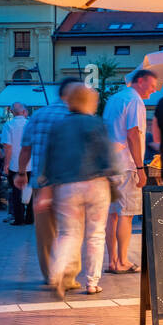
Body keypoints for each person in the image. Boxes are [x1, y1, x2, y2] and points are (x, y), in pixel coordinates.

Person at [42, 85, 117, 296]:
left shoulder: (58, 126)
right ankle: (92, 283)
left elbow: (49, 158)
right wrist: (114, 175)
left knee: (68, 233)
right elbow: (107, 154)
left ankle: (58, 274)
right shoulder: (97, 123)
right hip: (96, 184)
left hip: (67, 186)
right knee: (96, 235)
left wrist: (47, 187)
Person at [16, 79, 81, 287]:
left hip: (40, 181)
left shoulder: (38, 115)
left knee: (45, 232)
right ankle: (68, 276)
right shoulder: (76, 116)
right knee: (72, 229)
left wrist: (21, 174)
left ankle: (50, 275)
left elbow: (25, 148)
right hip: (70, 182)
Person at [103, 69, 160, 274]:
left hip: (109, 163)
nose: (153, 91)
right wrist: (140, 167)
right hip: (126, 165)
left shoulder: (114, 99)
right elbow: (133, 134)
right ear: (141, 81)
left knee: (112, 215)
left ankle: (112, 260)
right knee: (125, 214)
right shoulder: (135, 101)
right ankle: (123, 261)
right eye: (152, 86)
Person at [0, 102, 30, 226]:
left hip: (15, 164)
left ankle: (18, 218)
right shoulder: (31, 124)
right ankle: (30, 218)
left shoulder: (8, 125)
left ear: (12, 112)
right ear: (24, 112)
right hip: (31, 163)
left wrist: (6, 164)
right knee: (30, 190)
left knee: (17, 192)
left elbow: (7, 146)